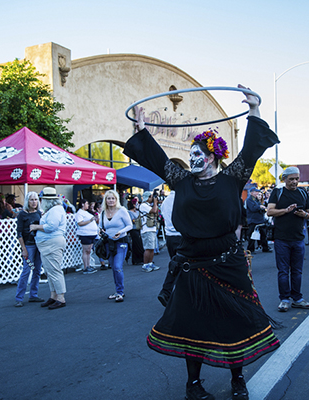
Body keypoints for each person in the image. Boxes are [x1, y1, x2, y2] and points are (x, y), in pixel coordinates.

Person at [124, 85, 280, 400]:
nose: (193, 158)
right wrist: (141, 130)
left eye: (198, 154)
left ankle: (238, 379)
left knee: (234, 322)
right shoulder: (181, 181)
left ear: (212, 157)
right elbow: (157, 158)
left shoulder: (232, 178)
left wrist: (253, 109)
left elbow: (251, 149)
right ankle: (193, 385)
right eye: (191, 154)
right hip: (193, 266)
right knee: (193, 326)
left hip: (229, 265)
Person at [267, 167, 309, 311]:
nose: (294, 182)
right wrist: (285, 210)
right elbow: (269, 211)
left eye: (297, 179)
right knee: (283, 271)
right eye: (291, 179)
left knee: (297, 271)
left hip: (298, 238)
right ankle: (284, 299)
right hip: (281, 239)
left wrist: (304, 215)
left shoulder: (302, 193)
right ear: (284, 179)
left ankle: (297, 298)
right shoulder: (278, 192)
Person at [30, 187, 68, 309]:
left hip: (52, 243)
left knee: (54, 270)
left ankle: (60, 297)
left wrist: (36, 227)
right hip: (49, 243)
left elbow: (51, 226)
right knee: (50, 271)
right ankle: (54, 296)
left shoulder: (55, 210)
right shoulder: (54, 209)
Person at [99, 190, 133, 302]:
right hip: (109, 243)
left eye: (113, 198)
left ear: (116, 199)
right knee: (113, 267)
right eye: (108, 198)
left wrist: (120, 232)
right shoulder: (103, 213)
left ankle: (120, 292)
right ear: (105, 200)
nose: (111, 200)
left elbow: (130, 225)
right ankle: (117, 291)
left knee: (118, 267)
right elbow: (100, 227)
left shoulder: (122, 210)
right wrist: (101, 232)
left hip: (121, 241)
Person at [14, 191, 45, 307]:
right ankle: (19, 297)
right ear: (27, 201)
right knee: (27, 270)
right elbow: (19, 233)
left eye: (35, 199)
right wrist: (23, 249)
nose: (34, 202)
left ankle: (33, 294)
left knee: (37, 270)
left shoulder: (38, 213)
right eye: (31, 200)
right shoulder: (22, 214)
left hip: (38, 244)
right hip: (28, 245)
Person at [157, 190, 182, 307]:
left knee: (176, 264)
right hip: (180, 235)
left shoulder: (166, 201)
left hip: (170, 236)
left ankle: (171, 293)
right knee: (180, 265)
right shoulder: (181, 198)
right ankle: (167, 291)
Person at [76, 198, 99, 274]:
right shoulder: (79, 213)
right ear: (83, 204)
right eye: (87, 204)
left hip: (91, 233)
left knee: (89, 250)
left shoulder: (87, 212)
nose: (88, 205)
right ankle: (86, 267)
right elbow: (80, 223)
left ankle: (89, 265)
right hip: (85, 234)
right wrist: (90, 220)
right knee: (86, 250)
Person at [139, 190, 160, 272]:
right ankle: (145, 264)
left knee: (152, 248)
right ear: (147, 198)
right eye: (151, 197)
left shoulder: (149, 205)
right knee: (148, 248)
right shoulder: (143, 205)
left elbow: (156, 213)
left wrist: (155, 204)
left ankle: (150, 263)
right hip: (147, 230)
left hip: (152, 229)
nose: (152, 198)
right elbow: (153, 211)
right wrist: (155, 202)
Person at [245, 187, 270, 253]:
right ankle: (250, 249)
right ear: (252, 192)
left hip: (259, 220)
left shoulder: (256, 200)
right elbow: (252, 209)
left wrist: (262, 208)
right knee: (252, 236)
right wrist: (260, 207)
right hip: (253, 220)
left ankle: (265, 248)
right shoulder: (249, 200)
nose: (257, 193)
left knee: (263, 235)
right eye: (256, 192)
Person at [127, 197, 144, 265]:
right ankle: (137, 259)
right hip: (133, 229)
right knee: (136, 244)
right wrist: (137, 220)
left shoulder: (137, 211)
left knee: (139, 243)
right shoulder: (129, 212)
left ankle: (141, 258)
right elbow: (131, 220)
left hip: (139, 228)